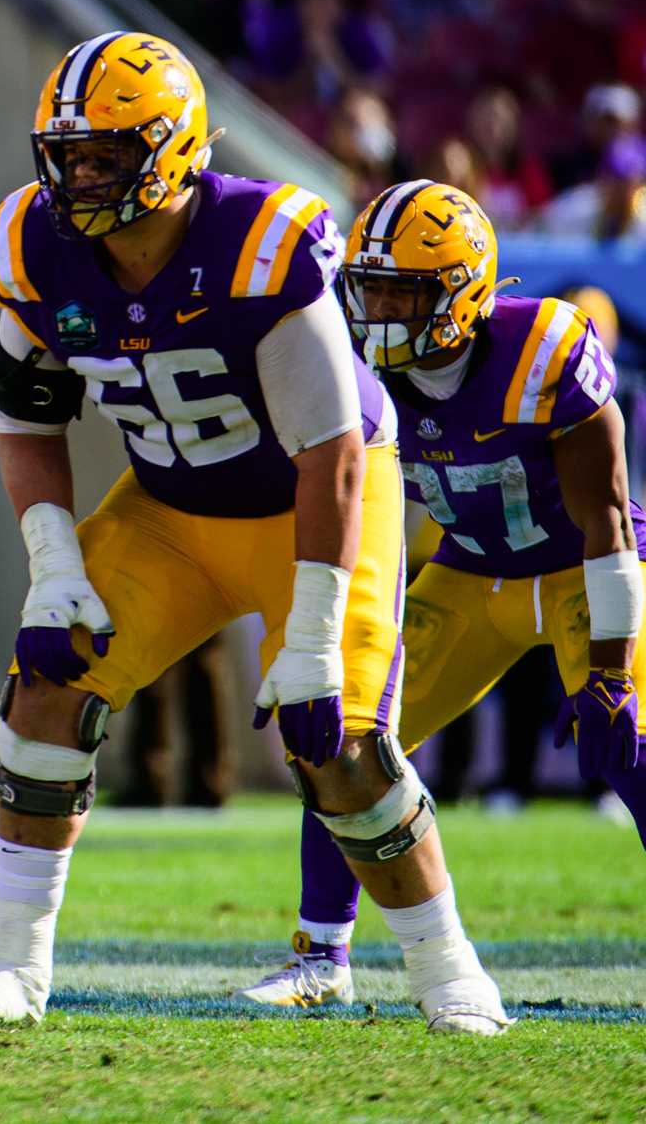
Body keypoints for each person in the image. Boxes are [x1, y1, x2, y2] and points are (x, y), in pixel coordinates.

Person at [0, 30, 508, 1034]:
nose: (78, 176)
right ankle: (12, 967)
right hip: (171, 509)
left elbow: (330, 447)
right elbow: (25, 415)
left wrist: (317, 638)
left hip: (314, 502)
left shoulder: (260, 244)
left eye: (105, 154)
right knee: (45, 688)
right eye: (66, 154)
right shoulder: (32, 245)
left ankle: (447, 969)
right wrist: (51, 565)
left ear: (174, 150)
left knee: (342, 745)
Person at [240, 182, 646, 1009]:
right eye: (371, 287)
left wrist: (610, 670)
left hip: (584, 567)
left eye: (404, 291)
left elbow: (607, 518)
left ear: (462, 290)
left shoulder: (542, 347)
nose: (380, 310)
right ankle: (322, 953)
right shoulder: (354, 375)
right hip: (470, 575)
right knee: (345, 734)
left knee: (633, 747)